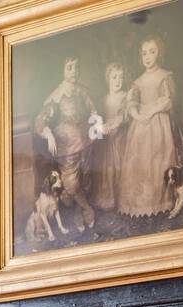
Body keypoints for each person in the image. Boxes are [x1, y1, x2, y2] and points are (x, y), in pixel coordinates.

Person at [117, 35, 183, 219]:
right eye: (144, 53)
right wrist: (137, 114)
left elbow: (169, 100)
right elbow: (131, 101)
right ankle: (140, 204)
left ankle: (160, 201)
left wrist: (153, 110)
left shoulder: (165, 76)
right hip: (141, 126)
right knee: (140, 161)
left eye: (152, 52)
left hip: (159, 124)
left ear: (159, 53)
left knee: (158, 160)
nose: (147, 57)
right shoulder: (137, 81)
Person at [34, 55, 95, 232]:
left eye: (76, 67)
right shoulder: (57, 95)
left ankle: (78, 210)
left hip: (86, 139)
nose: (73, 71)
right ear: (62, 70)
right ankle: (86, 208)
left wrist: (94, 119)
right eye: (69, 67)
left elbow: (93, 109)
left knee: (86, 178)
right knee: (71, 183)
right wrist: (48, 133)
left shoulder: (83, 91)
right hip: (66, 144)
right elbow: (40, 120)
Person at [91, 61, 129, 213]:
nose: (118, 81)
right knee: (108, 169)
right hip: (107, 139)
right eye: (114, 77)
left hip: (121, 137)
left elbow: (123, 116)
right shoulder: (103, 99)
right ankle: (110, 199)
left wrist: (113, 125)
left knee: (121, 167)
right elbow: (97, 117)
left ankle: (124, 200)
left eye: (120, 77)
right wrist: (101, 127)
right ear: (108, 79)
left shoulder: (125, 96)